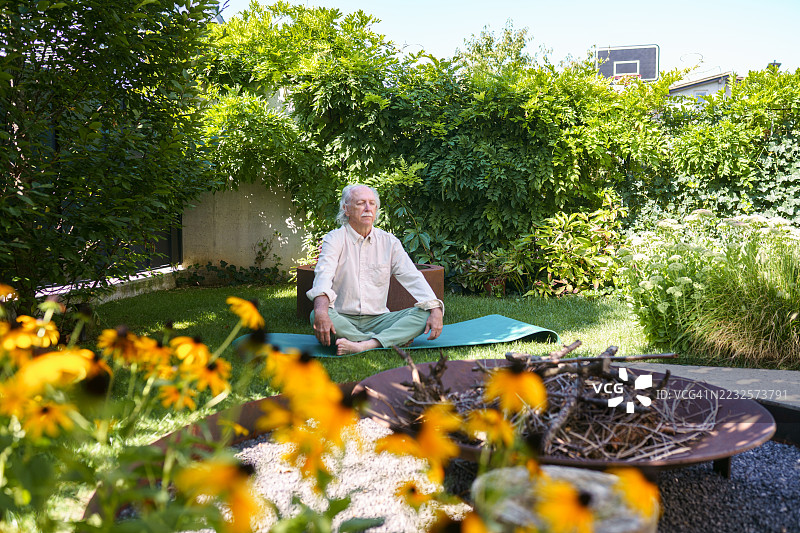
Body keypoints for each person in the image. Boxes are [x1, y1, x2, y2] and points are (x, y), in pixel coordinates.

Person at [306, 184, 444, 355]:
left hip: (380, 319)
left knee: (424, 314)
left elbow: (412, 277)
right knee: (316, 314)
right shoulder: (334, 239)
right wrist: (321, 312)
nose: (367, 208)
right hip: (342, 317)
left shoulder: (389, 241)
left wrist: (435, 308)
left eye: (372, 203)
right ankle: (387, 340)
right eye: (360, 203)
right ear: (346, 209)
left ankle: (363, 344)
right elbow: (323, 277)